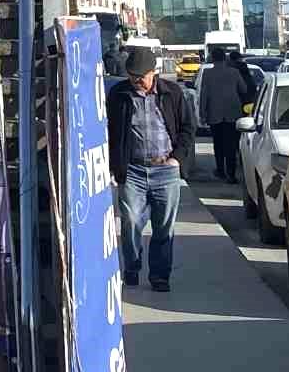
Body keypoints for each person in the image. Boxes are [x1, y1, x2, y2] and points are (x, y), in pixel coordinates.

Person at [107, 45, 193, 292]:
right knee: (131, 220)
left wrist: (177, 158)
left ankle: (159, 276)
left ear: (153, 73)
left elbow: (188, 128)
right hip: (132, 170)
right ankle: (132, 266)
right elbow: (111, 131)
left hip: (165, 169)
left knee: (163, 225)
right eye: (132, 77)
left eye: (141, 77)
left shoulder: (172, 93)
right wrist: (115, 166)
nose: (136, 81)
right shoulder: (119, 95)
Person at [199, 50, 250, 183]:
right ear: (225, 59)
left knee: (218, 143)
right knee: (231, 144)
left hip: (214, 113)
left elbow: (204, 95)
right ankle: (231, 174)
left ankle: (220, 170)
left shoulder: (207, 73)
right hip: (233, 113)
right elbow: (243, 89)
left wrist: (202, 114)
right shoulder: (234, 72)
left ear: (212, 59)